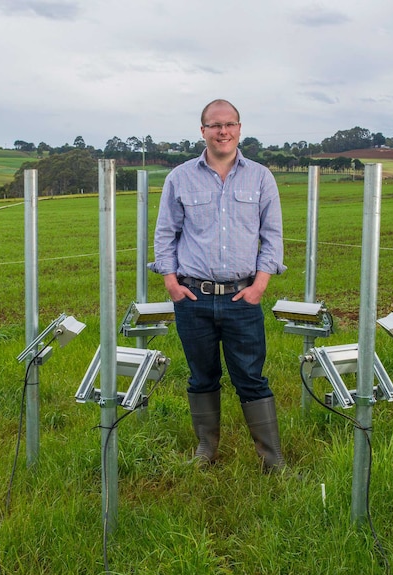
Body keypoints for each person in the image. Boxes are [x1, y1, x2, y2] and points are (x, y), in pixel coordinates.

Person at [149, 99, 287, 472]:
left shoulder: (260, 177)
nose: (222, 131)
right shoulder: (180, 177)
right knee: (201, 376)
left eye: (229, 124)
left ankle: (271, 459)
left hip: (243, 298)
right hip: (193, 298)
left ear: (240, 128)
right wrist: (171, 283)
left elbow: (272, 237)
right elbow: (166, 233)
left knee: (251, 378)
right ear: (203, 131)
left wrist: (260, 285)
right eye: (215, 125)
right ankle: (206, 450)